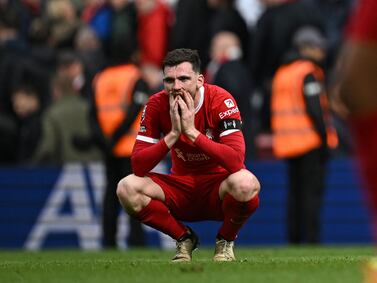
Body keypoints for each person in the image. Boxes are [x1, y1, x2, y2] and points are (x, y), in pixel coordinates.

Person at [116, 48, 261, 262]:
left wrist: (193, 133)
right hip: (181, 189)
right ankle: (184, 238)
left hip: (217, 189)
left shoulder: (220, 99)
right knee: (126, 187)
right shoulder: (156, 104)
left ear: (200, 80)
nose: (176, 87)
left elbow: (236, 160)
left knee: (246, 183)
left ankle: (225, 241)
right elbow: (138, 166)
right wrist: (173, 136)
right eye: (169, 80)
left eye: (184, 79)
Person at [271, 27, 338, 244]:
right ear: (306, 48)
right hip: (309, 142)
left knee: (294, 195)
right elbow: (315, 109)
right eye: (318, 47)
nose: (322, 51)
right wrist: (325, 139)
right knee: (311, 195)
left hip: (287, 143)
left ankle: (294, 239)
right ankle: (311, 240)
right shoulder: (307, 72)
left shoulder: (282, 72)